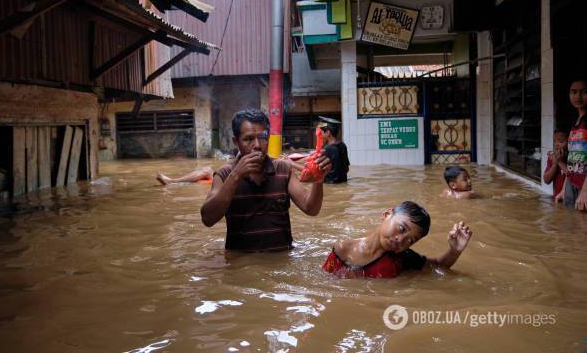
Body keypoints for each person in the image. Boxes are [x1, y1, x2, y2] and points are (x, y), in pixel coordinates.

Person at [200, 109, 331, 252]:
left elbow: (311, 209)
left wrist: (318, 180)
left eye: (262, 137)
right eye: (248, 139)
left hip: (281, 263)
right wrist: (236, 176)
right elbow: (208, 219)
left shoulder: (283, 169)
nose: (257, 144)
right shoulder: (225, 174)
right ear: (235, 142)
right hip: (242, 267)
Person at [322, 201, 472, 278]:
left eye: (410, 241)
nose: (401, 240)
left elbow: (438, 266)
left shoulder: (402, 258)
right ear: (387, 214)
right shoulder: (343, 249)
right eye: (402, 229)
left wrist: (455, 250)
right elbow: (325, 281)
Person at [565, 78, 587, 210]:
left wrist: (585, 191)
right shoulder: (575, 122)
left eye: (583, 92)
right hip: (572, 181)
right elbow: (572, 158)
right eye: (574, 92)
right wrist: (564, 188)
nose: (578, 96)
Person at [318, 116, 350, 184]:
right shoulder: (343, 145)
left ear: (328, 133)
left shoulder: (327, 149)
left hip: (330, 184)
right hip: (343, 182)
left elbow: (317, 170)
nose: (320, 134)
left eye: (322, 132)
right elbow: (347, 169)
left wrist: (292, 164)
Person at [543, 129, 568, 202]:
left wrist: (560, 162)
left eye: (560, 141)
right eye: (554, 141)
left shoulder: (573, 158)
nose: (556, 144)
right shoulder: (552, 157)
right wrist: (555, 164)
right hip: (557, 199)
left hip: (571, 201)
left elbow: (572, 177)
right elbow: (546, 180)